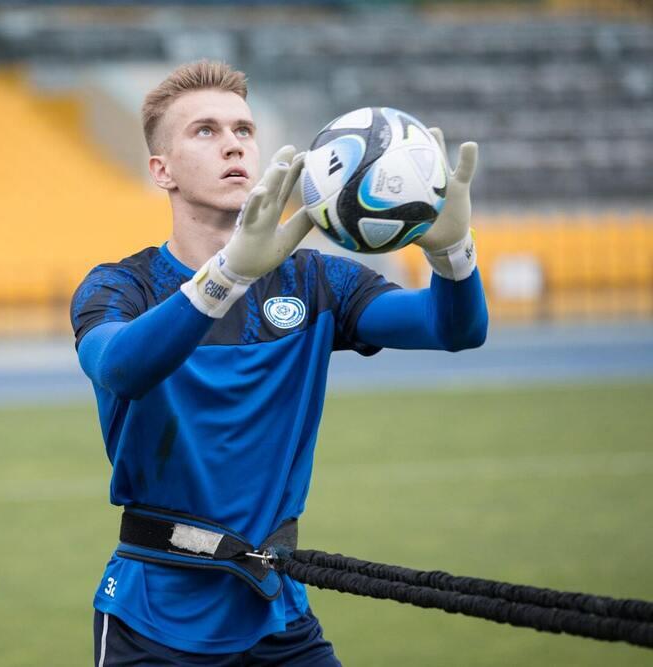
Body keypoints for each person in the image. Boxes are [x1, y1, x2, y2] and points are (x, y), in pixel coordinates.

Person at [70, 60, 487, 666]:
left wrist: (452, 251)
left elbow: (454, 329)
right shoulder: (119, 287)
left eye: (244, 129)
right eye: (205, 131)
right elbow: (122, 370)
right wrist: (229, 275)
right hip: (154, 617)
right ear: (161, 170)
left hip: (276, 613)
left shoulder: (316, 281)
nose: (234, 144)